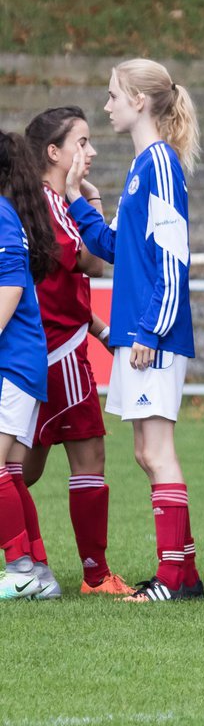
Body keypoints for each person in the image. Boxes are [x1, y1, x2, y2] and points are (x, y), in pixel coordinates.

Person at [66, 58, 203, 603]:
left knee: (159, 450)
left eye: (113, 95)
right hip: (140, 331)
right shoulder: (144, 166)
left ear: (140, 101)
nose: (107, 105)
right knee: (146, 452)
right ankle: (182, 574)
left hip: (154, 334)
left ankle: (174, 579)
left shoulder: (161, 164)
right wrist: (79, 198)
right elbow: (113, 248)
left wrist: (151, 330)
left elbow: (175, 259)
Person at [21, 108, 130, 596]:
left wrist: (99, 327)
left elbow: (84, 271)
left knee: (25, 466)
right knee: (84, 460)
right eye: (82, 143)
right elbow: (95, 258)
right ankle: (94, 576)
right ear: (53, 152)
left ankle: (41, 564)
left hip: (61, 346)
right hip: (53, 354)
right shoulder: (43, 204)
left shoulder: (53, 201)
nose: (91, 152)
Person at [0, 131, 57, 600]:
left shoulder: (0, 214)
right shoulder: (9, 213)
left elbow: (10, 288)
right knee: (11, 472)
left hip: (12, 362)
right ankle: (38, 574)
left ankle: (18, 569)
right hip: (22, 362)